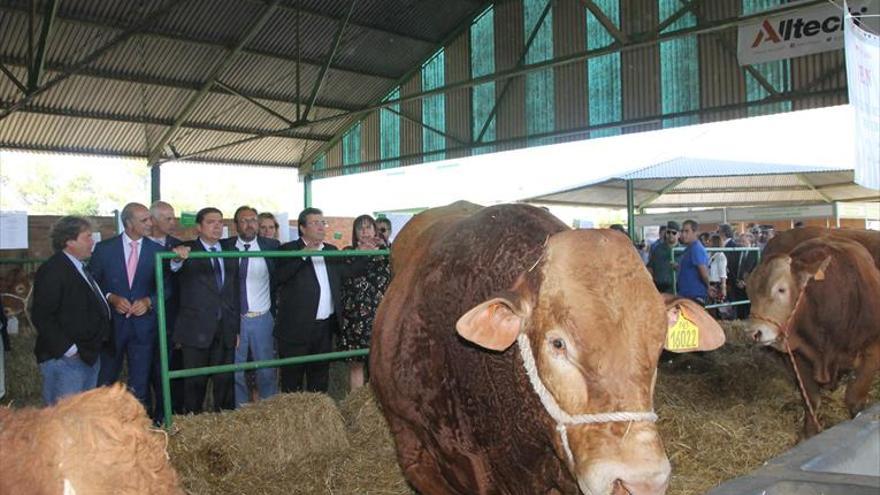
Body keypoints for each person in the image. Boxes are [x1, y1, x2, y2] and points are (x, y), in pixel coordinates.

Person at [274, 207, 375, 393]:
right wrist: (304, 253)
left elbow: (348, 273)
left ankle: (319, 417)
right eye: (315, 223)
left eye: (323, 222)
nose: (321, 227)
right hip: (296, 327)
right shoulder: (287, 250)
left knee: (319, 376)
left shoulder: (330, 250)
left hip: (324, 327)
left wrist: (363, 254)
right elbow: (279, 277)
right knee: (292, 378)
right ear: (302, 228)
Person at [32, 216, 112, 405]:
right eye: (87, 237)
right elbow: (42, 315)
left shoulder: (79, 267)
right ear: (69, 241)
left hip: (87, 354)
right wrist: (69, 349)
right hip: (67, 360)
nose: (92, 242)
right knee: (63, 418)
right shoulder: (54, 269)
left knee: (81, 416)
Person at [90, 202, 164, 407]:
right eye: (145, 220)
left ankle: (138, 425)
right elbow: (92, 284)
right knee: (106, 378)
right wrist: (110, 297)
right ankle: (103, 423)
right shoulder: (104, 249)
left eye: (150, 218)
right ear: (128, 224)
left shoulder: (158, 251)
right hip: (112, 328)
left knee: (140, 381)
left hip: (144, 328)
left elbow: (167, 288)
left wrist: (149, 301)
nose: (151, 223)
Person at [170, 207, 239, 413]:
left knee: (224, 380)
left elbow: (234, 292)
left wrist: (236, 329)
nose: (217, 226)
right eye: (211, 222)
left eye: (220, 222)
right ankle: (193, 424)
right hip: (195, 329)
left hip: (225, 328)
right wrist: (176, 259)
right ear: (198, 227)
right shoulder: (186, 250)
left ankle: (223, 423)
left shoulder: (230, 252)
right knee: (194, 383)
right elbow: (172, 269)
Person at [222, 206, 279, 407]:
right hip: (236, 319)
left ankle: (269, 406)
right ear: (236, 225)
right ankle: (240, 410)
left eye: (253, 220)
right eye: (244, 220)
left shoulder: (271, 246)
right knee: (236, 369)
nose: (249, 224)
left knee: (266, 368)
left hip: (262, 316)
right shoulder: (225, 246)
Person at [340, 215, 391, 390]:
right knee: (356, 363)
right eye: (360, 228)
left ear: (375, 230)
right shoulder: (348, 251)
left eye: (368, 227)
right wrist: (363, 254)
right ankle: (356, 403)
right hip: (355, 318)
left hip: (382, 315)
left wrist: (384, 247)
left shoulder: (386, 252)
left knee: (379, 362)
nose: (365, 231)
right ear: (354, 233)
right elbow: (347, 275)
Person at [147, 200, 184, 421]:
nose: (173, 222)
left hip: (171, 319)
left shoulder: (179, 246)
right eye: (167, 218)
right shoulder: (138, 245)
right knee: (145, 369)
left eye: (173, 218)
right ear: (152, 220)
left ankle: (168, 415)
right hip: (143, 317)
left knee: (169, 369)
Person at [676, 219, 710, 304]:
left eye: (687, 231)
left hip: (694, 296)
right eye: (682, 231)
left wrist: (709, 286)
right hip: (686, 295)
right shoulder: (689, 248)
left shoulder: (696, 248)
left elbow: (703, 272)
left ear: (695, 233)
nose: (683, 234)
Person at [647, 221, 679, 294]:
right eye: (668, 232)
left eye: (674, 233)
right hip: (659, 288)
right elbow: (650, 267)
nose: (670, 235)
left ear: (678, 234)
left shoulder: (683, 251)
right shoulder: (657, 249)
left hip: (677, 289)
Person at [733, 232, 759, 319]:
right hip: (737, 285)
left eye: (743, 241)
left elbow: (756, 270)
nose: (741, 244)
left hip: (749, 286)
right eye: (740, 241)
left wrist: (746, 282)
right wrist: (736, 281)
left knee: (748, 309)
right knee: (739, 310)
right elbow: (734, 268)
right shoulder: (737, 252)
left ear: (750, 242)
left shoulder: (756, 253)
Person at [708, 233, 728, 316]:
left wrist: (723, 287)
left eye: (710, 241)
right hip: (709, 283)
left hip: (717, 284)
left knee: (717, 310)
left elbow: (723, 273)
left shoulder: (721, 256)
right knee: (710, 308)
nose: (708, 242)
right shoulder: (709, 254)